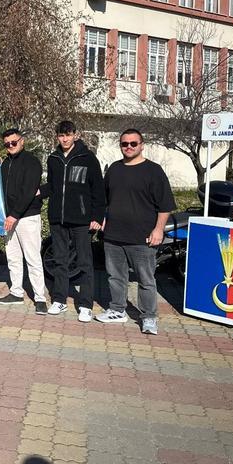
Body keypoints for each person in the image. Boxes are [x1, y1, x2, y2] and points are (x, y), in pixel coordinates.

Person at [98, 129, 175, 335]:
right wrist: (103, 219)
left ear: (142, 145)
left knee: (146, 280)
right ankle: (117, 310)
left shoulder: (153, 171)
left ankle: (149, 317)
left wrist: (158, 230)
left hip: (143, 237)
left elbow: (165, 205)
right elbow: (105, 199)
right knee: (115, 277)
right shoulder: (114, 169)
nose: (129, 147)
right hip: (114, 236)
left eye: (133, 143)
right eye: (125, 144)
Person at [42, 121, 105, 322]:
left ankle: (85, 305)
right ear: (57, 137)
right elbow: (52, 186)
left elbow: (98, 190)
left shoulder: (88, 158)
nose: (65, 139)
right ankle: (59, 299)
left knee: (84, 262)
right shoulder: (53, 158)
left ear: (75, 135)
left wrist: (97, 217)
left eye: (68, 135)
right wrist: (36, 191)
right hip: (57, 219)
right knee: (60, 260)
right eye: (61, 135)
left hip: (81, 220)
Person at [0, 128, 48, 314]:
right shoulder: (5, 164)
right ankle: (16, 292)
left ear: (22, 141)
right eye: (7, 144)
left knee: (32, 258)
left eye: (14, 142)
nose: (10, 146)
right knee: (13, 257)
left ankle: (40, 298)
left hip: (27, 217)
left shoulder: (31, 162)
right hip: (9, 218)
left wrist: (14, 215)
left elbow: (29, 191)